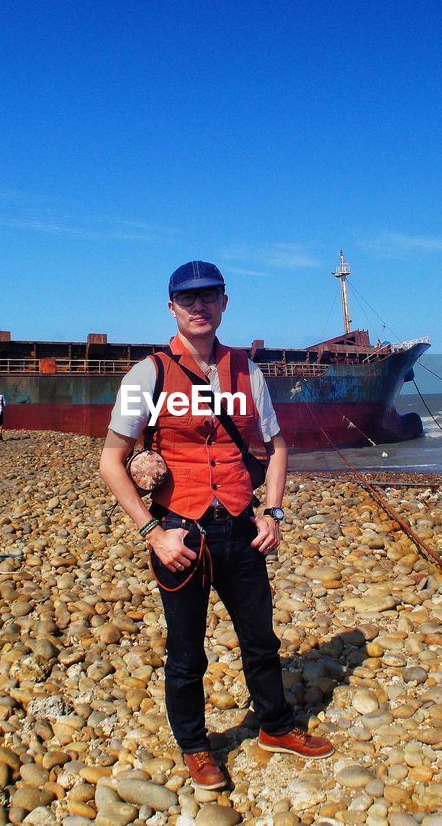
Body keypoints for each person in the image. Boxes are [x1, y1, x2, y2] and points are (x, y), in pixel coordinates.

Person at [99, 260, 333, 792]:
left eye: (209, 296)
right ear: (172, 308)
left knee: (261, 638)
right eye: (188, 299)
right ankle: (196, 747)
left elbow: (276, 448)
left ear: (224, 303)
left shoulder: (248, 371)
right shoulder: (149, 373)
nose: (199, 306)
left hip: (239, 525)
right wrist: (151, 532)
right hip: (180, 530)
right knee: (186, 650)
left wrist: (273, 512)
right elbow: (112, 460)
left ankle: (274, 726)